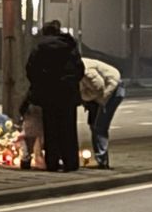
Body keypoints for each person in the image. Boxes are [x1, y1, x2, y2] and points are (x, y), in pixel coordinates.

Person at [25, 20, 84, 172]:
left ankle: (52, 162)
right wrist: (70, 82)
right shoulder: (70, 46)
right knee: (68, 129)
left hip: (48, 93)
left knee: (51, 129)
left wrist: (40, 84)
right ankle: (71, 162)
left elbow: (31, 69)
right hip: (67, 94)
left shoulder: (40, 47)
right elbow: (80, 69)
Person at [80, 58, 124, 169]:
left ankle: (102, 161)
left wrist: (82, 96)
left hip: (112, 90)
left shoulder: (85, 70)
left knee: (99, 126)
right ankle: (101, 159)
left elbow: (98, 88)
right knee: (94, 125)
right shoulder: (77, 68)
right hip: (101, 93)